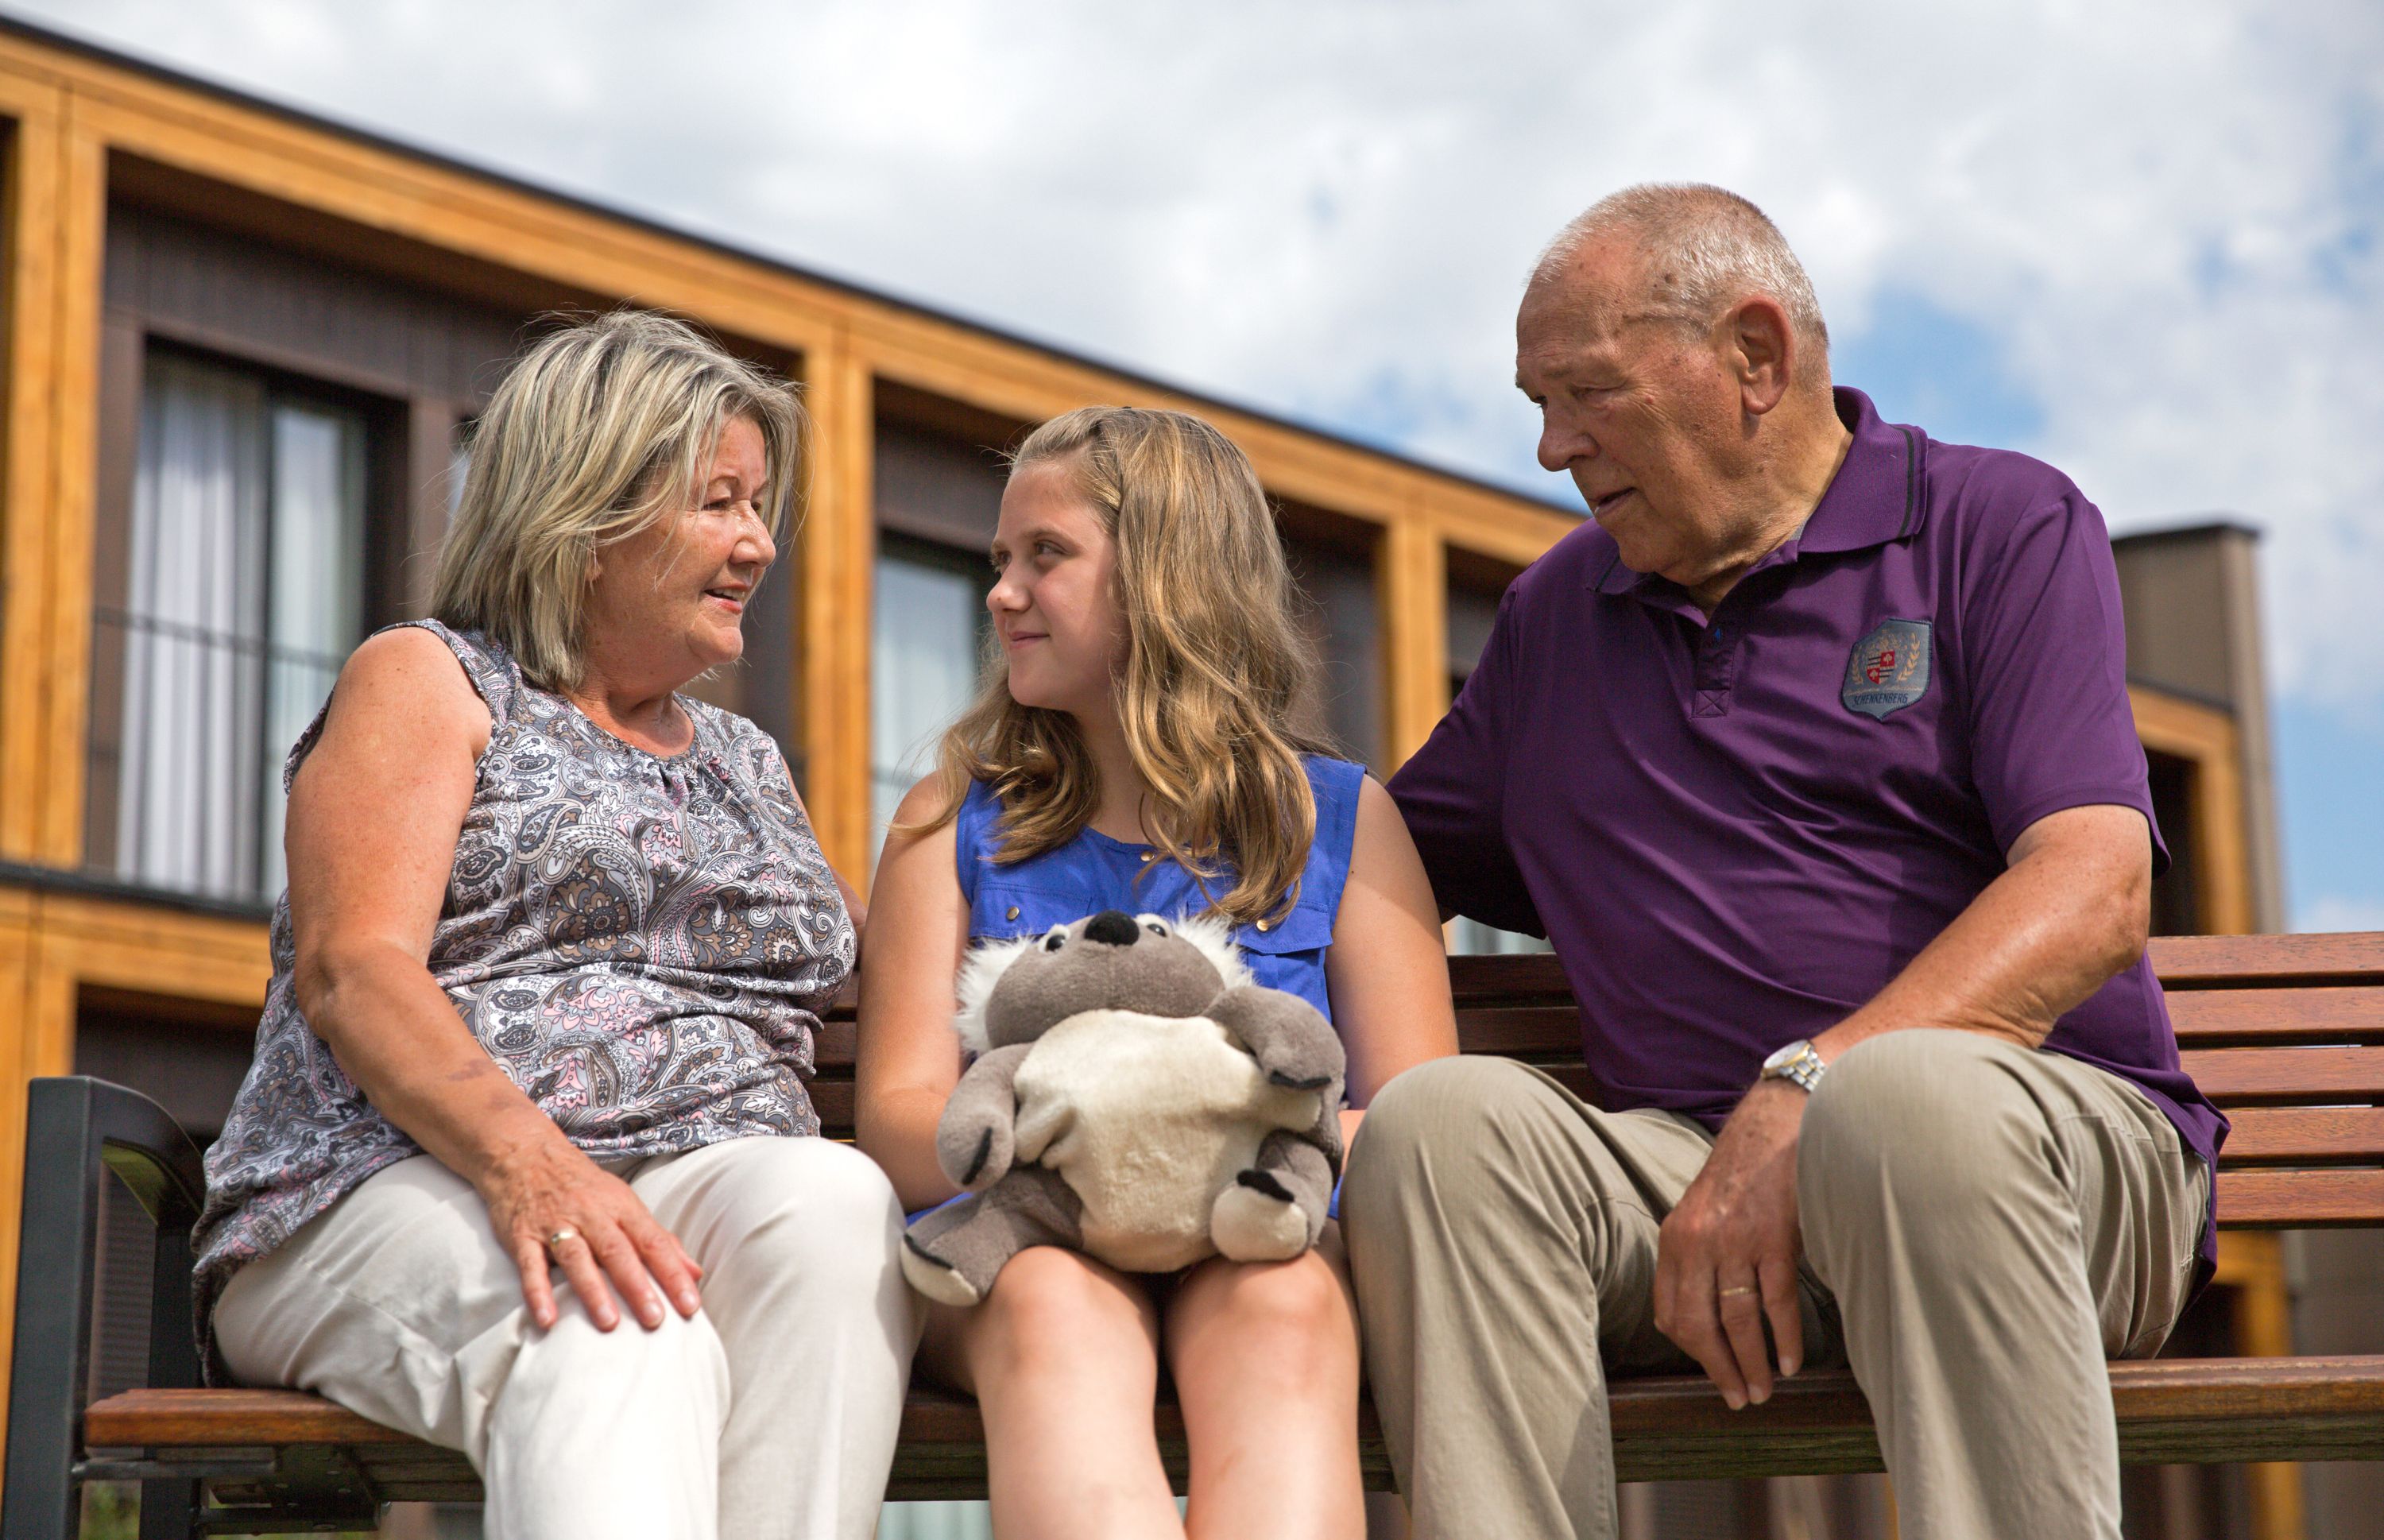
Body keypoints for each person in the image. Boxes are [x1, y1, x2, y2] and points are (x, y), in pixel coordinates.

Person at [1343, 184, 2226, 1540]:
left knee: (1908, 1101)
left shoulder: (1999, 524)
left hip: (2027, 1159)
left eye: (1586, 393)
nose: (1549, 447)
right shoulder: (1553, 618)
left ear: (1756, 356)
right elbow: (1370, 847)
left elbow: (2096, 884)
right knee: (1443, 1131)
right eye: (1537, 401)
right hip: (1685, 1194)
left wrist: (1806, 1087)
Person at [193, 311, 917, 1540]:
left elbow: (876, 989)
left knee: (832, 1206)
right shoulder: (431, 681)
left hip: (697, 1175)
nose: (759, 543)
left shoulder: (746, 757)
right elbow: (352, 968)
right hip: (393, 1181)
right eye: (720, 502)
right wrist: (534, 1165)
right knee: (621, 1328)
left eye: (760, 507)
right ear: (584, 519)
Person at [857, 405, 1457, 1540]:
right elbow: (894, 1110)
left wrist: (1208, 1154)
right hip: (1021, 1246)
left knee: (1282, 1311)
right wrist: (1087, 1148)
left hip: (1259, 1237)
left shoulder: (1341, 821)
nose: (1001, 592)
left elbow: (1427, 1120)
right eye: (999, 561)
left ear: (1166, 576)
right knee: (1053, 1309)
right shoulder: (950, 818)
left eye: (1047, 555)